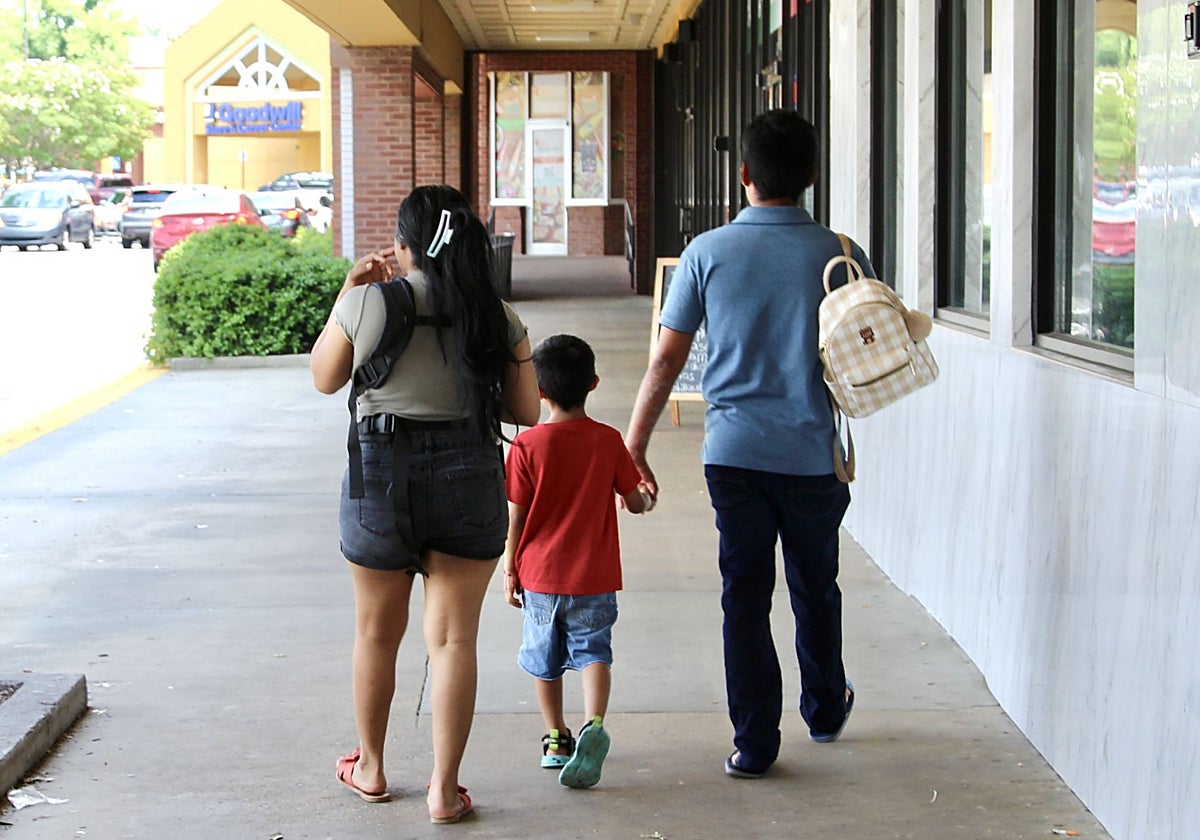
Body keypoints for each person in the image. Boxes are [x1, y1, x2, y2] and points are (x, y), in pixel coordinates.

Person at [624, 110, 872, 779]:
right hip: (813, 454)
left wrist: (635, 444)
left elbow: (666, 360)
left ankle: (755, 743)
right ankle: (824, 708)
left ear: (743, 175)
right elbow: (864, 352)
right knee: (815, 586)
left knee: (745, 594)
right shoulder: (842, 254)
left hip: (733, 455)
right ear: (811, 175)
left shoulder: (707, 253)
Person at [310, 184, 540, 823]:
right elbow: (525, 410)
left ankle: (372, 768)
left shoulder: (368, 302)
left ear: (406, 245)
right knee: (454, 639)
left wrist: (348, 293)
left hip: (380, 474)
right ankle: (444, 789)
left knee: (376, 632)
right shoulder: (494, 315)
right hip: (468, 473)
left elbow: (325, 378)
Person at [502, 334, 651, 789]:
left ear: (539, 392)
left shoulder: (526, 446)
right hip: (594, 576)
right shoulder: (608, 441)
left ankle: (556, 738)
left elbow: (516, 516)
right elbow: (634, 500)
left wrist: (510, 567)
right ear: (594, 383)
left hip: (540, 576)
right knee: (594, 652)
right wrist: (644, 499)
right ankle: (594, 725)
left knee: (543, 659)